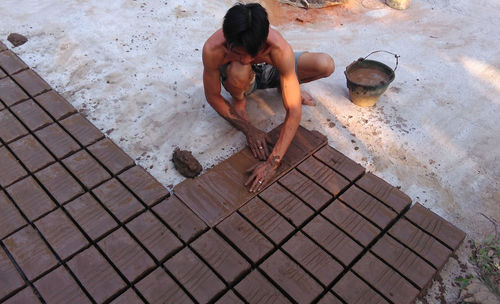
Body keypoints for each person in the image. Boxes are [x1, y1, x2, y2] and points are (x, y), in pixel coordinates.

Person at [202, 2, 334, 192]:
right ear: (229, 43)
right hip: (240, 77)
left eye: (253, 54)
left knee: (325, 64)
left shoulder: (279, 49)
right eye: (239, 53)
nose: (247, 59)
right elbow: (213, 97)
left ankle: (286, 87)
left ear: (263, 42)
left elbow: (294, 111)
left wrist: (272, 164)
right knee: (240, 69)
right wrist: (249, 129)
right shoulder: (213, 50)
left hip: (271, 70)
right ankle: (239, 98)